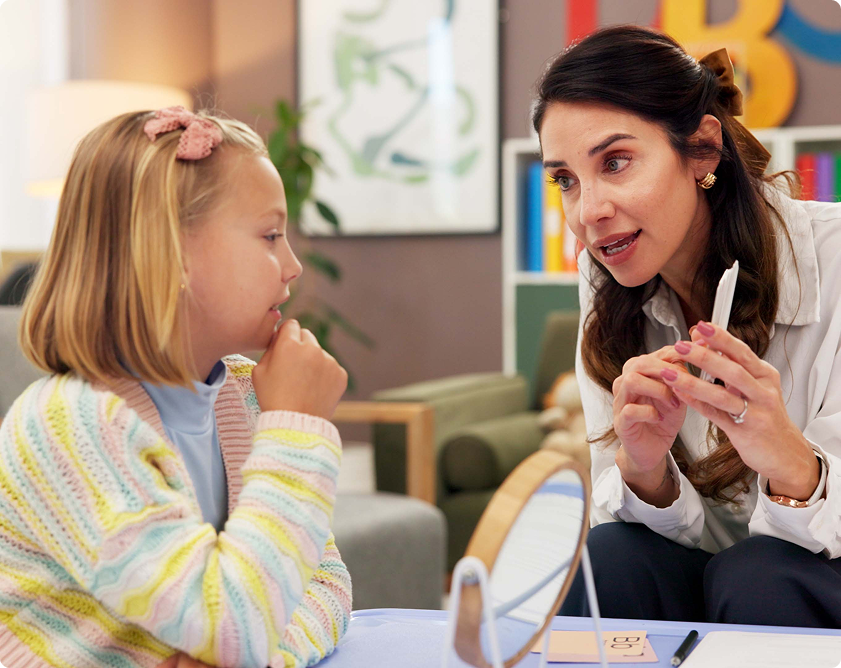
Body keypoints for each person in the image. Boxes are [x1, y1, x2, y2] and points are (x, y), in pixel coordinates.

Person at [0, 106, 351, 668]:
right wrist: (296, 429)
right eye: (269, 235)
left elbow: (325, 584)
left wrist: (267, 656)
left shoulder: (243, 393)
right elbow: (231, 625)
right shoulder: (69, 426)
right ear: (169, 248)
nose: (292, 266)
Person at [532, 26, 841, 627]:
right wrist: (645, 472)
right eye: (564, 179)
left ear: (702, 149)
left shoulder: (834, 257)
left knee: (758, 575)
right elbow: (636, 529)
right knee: (608, 558)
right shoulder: (605, 275)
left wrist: (791, 463)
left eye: (615, 162)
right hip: (716, 573)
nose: (587, 211)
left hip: (809, 573)